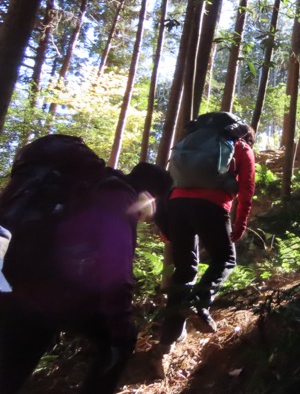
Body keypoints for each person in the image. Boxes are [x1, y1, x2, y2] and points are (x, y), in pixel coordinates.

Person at [0, 156, 173, 394]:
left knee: (12, 368)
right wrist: (120, 327)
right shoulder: (121, 199)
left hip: (16, 280)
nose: (147, 218)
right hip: (57, 294)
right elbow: (117, 274)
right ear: (150, 197)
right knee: (121, 341)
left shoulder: (90, 185)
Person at [154, 120, 256, 360]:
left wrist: (165, 222)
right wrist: (240, 222)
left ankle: (167, 339)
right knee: (225, 259)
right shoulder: (240, 146)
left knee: (184, 270)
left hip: (177, 206)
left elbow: (169, 183)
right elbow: (246, 187)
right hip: (211, 206)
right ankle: (201, 302)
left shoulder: (190, 144)